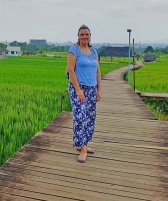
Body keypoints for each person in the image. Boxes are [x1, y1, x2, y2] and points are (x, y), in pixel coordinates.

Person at [66, 24, 101, 163]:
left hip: (92, 89)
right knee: (80, 116)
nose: (84, 37)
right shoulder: (74, 50)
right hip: (78, 88)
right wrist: (78, 90)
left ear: (90, 36)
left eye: (87, 34)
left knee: (90, 117)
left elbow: (98, 71)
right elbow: (70, 70)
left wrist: (99, 90)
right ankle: (83, 149)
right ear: (78, 36)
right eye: (82, 35)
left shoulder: (94, 52)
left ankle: (83, 143)